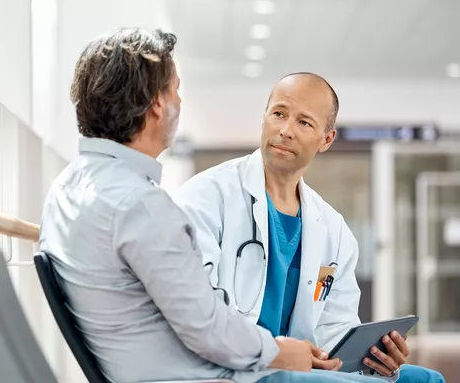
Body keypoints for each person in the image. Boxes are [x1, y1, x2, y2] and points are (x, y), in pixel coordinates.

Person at [38, 29, 388, 383]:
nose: (180, 102)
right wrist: (282, 352)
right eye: (175, 89)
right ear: (157, 103)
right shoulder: (140, 205)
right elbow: (206, 326)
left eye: (304, 122)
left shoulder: (68, 187)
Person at [172, 72, 445, 383]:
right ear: (264, 119)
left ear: (326, 139)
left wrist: (376, 359)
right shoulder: (208, 196)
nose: (286, 130)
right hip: (236, 369)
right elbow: (195, 310)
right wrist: (274, 350)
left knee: (424, 379)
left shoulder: (333, 229)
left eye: (304, 122)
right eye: (279, 114)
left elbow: (334, 329)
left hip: (302, 368)